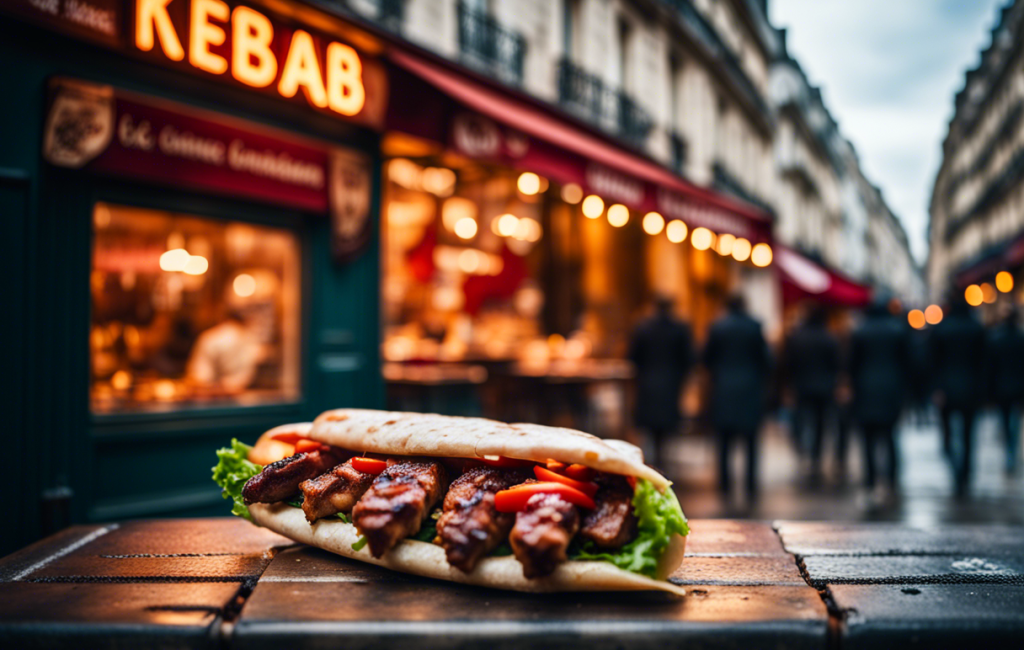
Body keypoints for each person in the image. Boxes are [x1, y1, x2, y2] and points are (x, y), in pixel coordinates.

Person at [702, 295, 770, 502]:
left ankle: (725, 487)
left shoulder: (717, 327)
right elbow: (766, 360)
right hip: (749, 391)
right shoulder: (755, 327)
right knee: (751, 442)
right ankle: (751, 487)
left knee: (723, 443)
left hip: (724, 390)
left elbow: (706, 358)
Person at [848, 299, 912, 494]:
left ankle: (870, 481)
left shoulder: (860, 331)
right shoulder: (898, 330)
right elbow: (908, 362)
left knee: (867, 439)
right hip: (891, 389)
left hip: (866, 389)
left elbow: (852, 363)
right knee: (890, 435)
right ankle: (891, 479)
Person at [929, 292, 987, 496]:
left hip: (947, 389)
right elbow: (984, 363)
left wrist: (936, 388)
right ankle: (966, 474)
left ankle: (955, 467)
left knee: (947, 434)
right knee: (969, 435)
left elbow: (933, 362)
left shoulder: (942, 329)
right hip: (971, 389)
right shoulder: (977, 328)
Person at [628, 296, 694, 470]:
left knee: (651, 427)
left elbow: (633, 356)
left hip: (648, 383)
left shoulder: (643, 327)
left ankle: (653, 463)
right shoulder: (680, 329)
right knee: (665, 427)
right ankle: (662, 463)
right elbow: (688, 358)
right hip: (670, 384)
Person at [783, 306, 840, 479]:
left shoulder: (797, 338)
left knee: (800, 418)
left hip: (802, 385)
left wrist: (788, 385)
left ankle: (801, 447)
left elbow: (789, 363)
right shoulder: (829, 338)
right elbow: (836, 363)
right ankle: (816, 455)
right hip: (824, 387)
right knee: (821, 423)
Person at [985, 306, 1024, 473]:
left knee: (1005, 419)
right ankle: (1011, 453)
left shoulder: (996, 339)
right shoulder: (1021, 339)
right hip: (1018, 387)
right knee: (1014, 421)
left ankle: (1009, 454)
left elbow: (990, 368)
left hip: (1001, 387)